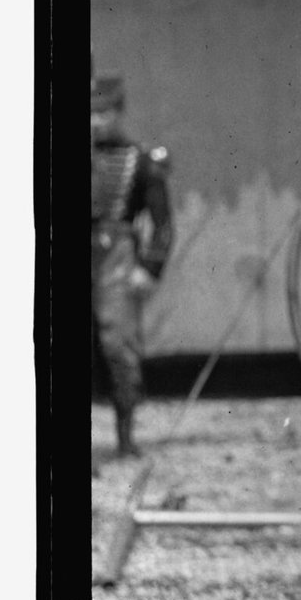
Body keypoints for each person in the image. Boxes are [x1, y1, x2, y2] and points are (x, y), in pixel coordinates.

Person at [91, 73, 174, 459]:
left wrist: (149, 268)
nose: (96, 121)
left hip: (117, 260)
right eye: (90, 113)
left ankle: (125, 438)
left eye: (104, 112)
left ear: (119, 113)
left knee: (120, 345)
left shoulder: (138, 160)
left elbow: (163, 223)